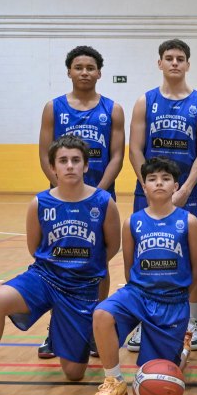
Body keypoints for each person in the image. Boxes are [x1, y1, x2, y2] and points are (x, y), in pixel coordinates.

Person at [0, 135, 121, 395]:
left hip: (80, 290)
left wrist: (82, 271)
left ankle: (59, 324)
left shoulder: (103, 202)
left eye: (76, 160)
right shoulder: (40, 203)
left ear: (86, 166)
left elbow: (111, 247)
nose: (69, 166)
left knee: (74, 373)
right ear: (53, 167)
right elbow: (34, 248)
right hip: (44, 278)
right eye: (63, 161)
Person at [86, 156, 197, 395]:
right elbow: (130, 268)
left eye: (166, 178)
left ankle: (183, 346)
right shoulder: (133, 222)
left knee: (160, 374)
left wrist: (180, 300)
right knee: (102, 313)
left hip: (173, 302)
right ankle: (114, 381)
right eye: (152, 179)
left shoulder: (189, 222)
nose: (159, 183)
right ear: (144, 186)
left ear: (176, 186)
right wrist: (139, 296)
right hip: (138, 294)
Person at [36, 45, 125, 360]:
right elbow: (45, 154)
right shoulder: (54, 108)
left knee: (98, 263)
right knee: (56, 263)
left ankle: (94, 331)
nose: (84, 72)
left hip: (100, 197)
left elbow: (117, 156)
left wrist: (96, 193)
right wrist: (62, 187)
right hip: (60, 200)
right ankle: (56, 330)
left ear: (99, 73)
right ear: (69, 72)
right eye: (79, 67)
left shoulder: (113, 109)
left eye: (90, 67)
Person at [127, 39, 197, 354]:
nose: (174, 63)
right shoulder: (145, 101)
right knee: (144, 255)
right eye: (169, 58)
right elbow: (135, 148)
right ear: (159, 63)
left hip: (188, 192)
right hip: (148, 193)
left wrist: (186, 187)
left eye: (180, 58)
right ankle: (142, 320)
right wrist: (149, 186)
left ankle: (192, 321)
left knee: (190, 258)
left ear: (188, 64)